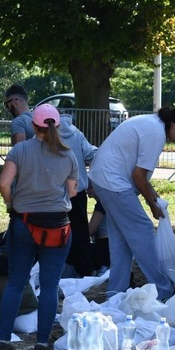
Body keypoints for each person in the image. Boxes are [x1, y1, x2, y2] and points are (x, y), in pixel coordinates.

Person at [88, 105, 175, 301]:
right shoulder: (156, 134)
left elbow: (141, 177)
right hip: (113, 181)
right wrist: (153, 206)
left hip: (105, 178)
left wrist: (153, 196)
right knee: (143, 230)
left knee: (121, 239)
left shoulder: (152, 124)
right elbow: (138, 176)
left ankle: (116, 293)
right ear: (174, 124)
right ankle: (164, 289)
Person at [0, 104, 78, 350]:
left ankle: (3, 339)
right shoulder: (68, 155)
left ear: (34, 125)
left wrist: (11, 202)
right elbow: (73, 191)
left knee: (16, 282)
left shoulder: (20, 150)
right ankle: (42, 343)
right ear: (57, 125)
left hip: (24, 222)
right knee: (50, 286)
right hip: (57, 225)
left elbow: (3, 183)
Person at [58, 111, 97, 277]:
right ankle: (86, 268)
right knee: (80, 231)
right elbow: (92, 154)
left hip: (55, 192)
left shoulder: (46, 133)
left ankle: (64, 265)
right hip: (78, 189)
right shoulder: (76, 133)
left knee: (57, 230)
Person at [88, 198, 110, 272]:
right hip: (113, 242)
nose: (87, 189)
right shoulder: (111, 201)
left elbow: (90, 230)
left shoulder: (101, 204)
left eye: (91, 187)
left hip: (104, 245)